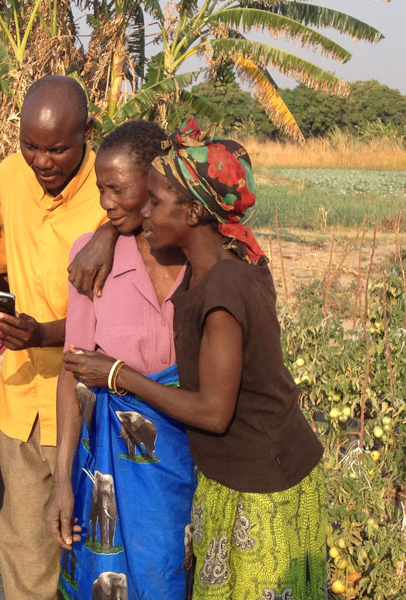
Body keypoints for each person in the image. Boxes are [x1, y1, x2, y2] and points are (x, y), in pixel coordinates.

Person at [80, 118, 325, 599]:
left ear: (193, 212)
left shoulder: (222, 293)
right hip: (235, 477)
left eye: (154, 202)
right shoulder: (220, 260)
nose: (142, 211)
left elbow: (213, 412)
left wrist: (116, 373)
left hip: (264, 486)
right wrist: (107, 234)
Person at [44, 121, 197, 600]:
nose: (106, 201)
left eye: (117, 189)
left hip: (186, 460)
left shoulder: (198, 255)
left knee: (174, 573)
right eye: (100, 190)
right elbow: (74, 377)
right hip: (107, 461)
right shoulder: (91, 262)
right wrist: (62, 481)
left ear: (154, 184)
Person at [0, 74, 116, 599]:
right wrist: (4, 326)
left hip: (91, 403)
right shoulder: (7, 179)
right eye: (30, 146)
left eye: (57, 149)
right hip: (19, 402)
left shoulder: (114, 195)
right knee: (23, 556)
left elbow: (117, 315)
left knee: (93, 554)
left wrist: (108, 229)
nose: (42, 162)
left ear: (87, 132)